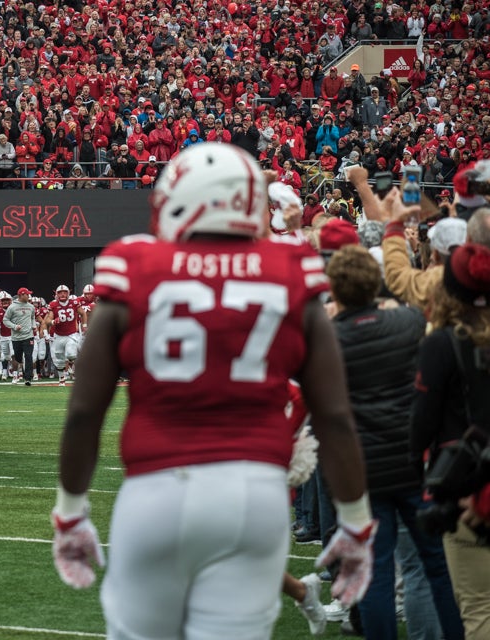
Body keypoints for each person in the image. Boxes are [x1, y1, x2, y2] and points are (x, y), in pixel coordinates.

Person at [52, 143, 375, 640]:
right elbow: (334, 415)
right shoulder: (291, 268)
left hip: (156, 490)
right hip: (254, 496)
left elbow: (83, 412)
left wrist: (71, 512)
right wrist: (355, 523)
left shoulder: (133, 263)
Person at [326, 245, 464, 640]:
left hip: (364, 470)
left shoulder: (331, 338)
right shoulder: (405, 322)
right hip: (411, 460)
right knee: (437, 565)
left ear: (335, 288)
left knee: (377, 571)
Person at [411, 242, 490, 639]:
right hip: (468, 478)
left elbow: (421, 423)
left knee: (477, 605)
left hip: (464, 482)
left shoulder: (441, 343)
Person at [3, 287, 37, 386]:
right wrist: (14, 326)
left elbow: (32, 317)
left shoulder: (31, 307)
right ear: (21, 295)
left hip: (28, 336)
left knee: (28, 356)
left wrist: (34, 326)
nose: (29, 296)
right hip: (16, 337)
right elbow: (5, 320)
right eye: (27, 294)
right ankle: (17, 372)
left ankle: (28, 378)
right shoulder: (12, 307)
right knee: (18, 357)